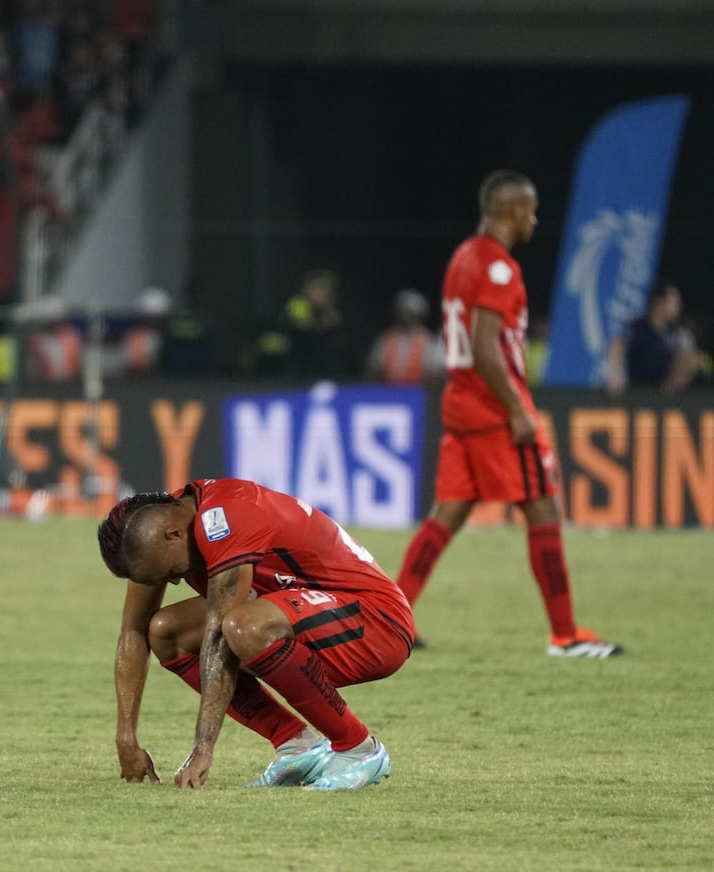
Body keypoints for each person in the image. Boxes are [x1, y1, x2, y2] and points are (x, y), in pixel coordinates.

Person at [393, 169, 622, 658]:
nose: (534, 219)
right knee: (544, 508)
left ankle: (393, 620)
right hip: (493, 410)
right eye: (532, 209)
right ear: (514, 209)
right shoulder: (498, 267)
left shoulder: (463, 256)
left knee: (446, 517)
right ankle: (566, 635)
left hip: (461, 406)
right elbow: (484, 345)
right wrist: (518, 409)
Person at [97, 479, 415, 791]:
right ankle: (297, 745)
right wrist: (126, 736)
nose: (177, 581)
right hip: (302, 614)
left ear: (173, 533)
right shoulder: (154, 526)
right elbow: (133, 630)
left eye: (169, 573)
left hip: (376, 623)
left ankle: (358, 749)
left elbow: (220, 636)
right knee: (167, 631)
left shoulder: (224, 519)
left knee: (242, 626)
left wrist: (203, 746)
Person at [604, 279, 701, 396]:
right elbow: (617, 346)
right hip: (638, 389)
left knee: (694, 358)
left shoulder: (675, 331)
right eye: (673, 304)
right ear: (658, 302)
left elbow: (688, 357)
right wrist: (613, 376)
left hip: (664, 390)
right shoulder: (638, 327)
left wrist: (679, 378)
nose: (677, 308)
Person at [364, 288, 445, 384]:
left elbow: (435, 372)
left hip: (419, 392)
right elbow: (373, 368)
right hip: (387, 391)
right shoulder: (386, 338)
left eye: (409, 313)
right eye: (402, 311)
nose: (404, 316)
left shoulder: (428, 341)